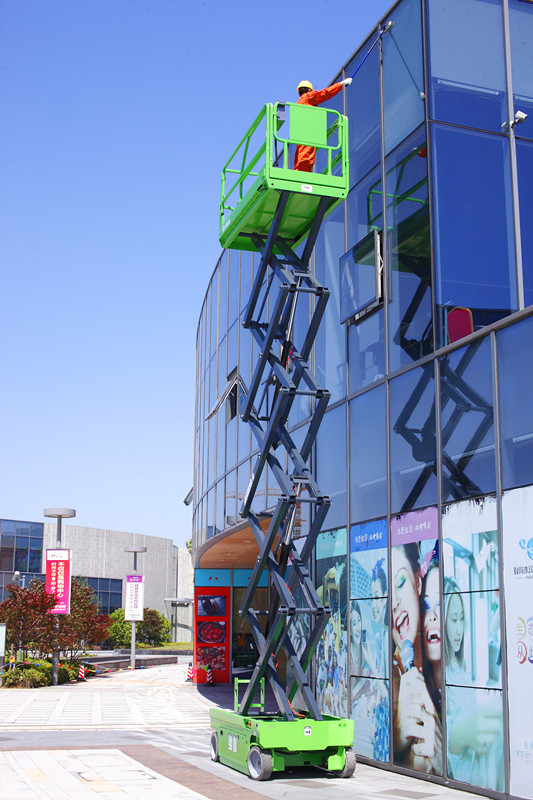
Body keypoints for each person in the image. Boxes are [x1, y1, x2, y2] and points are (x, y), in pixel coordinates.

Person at [444, 579, 504, 789]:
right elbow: (448, 743)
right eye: (454, 620)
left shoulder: (461, 669)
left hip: (476, 774)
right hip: (462, 779)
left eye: (462, 619)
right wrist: (461, 732)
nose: (459, 630)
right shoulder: (440, 674)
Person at [392, 543, 442, 774]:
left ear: (417, 583)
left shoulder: (437, 672)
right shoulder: (386, 682)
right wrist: (397, 735)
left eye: (400, 582)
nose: (394, 602)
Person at [294, 78, 352, 172]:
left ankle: (299, 172)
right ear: (309, 90)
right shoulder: (308, 96)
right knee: (305, 158)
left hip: (302, 133)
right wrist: (341, 84)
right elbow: (325, 93)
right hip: (308, 132)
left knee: (301, 156)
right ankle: (302, 173)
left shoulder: (299, 102)